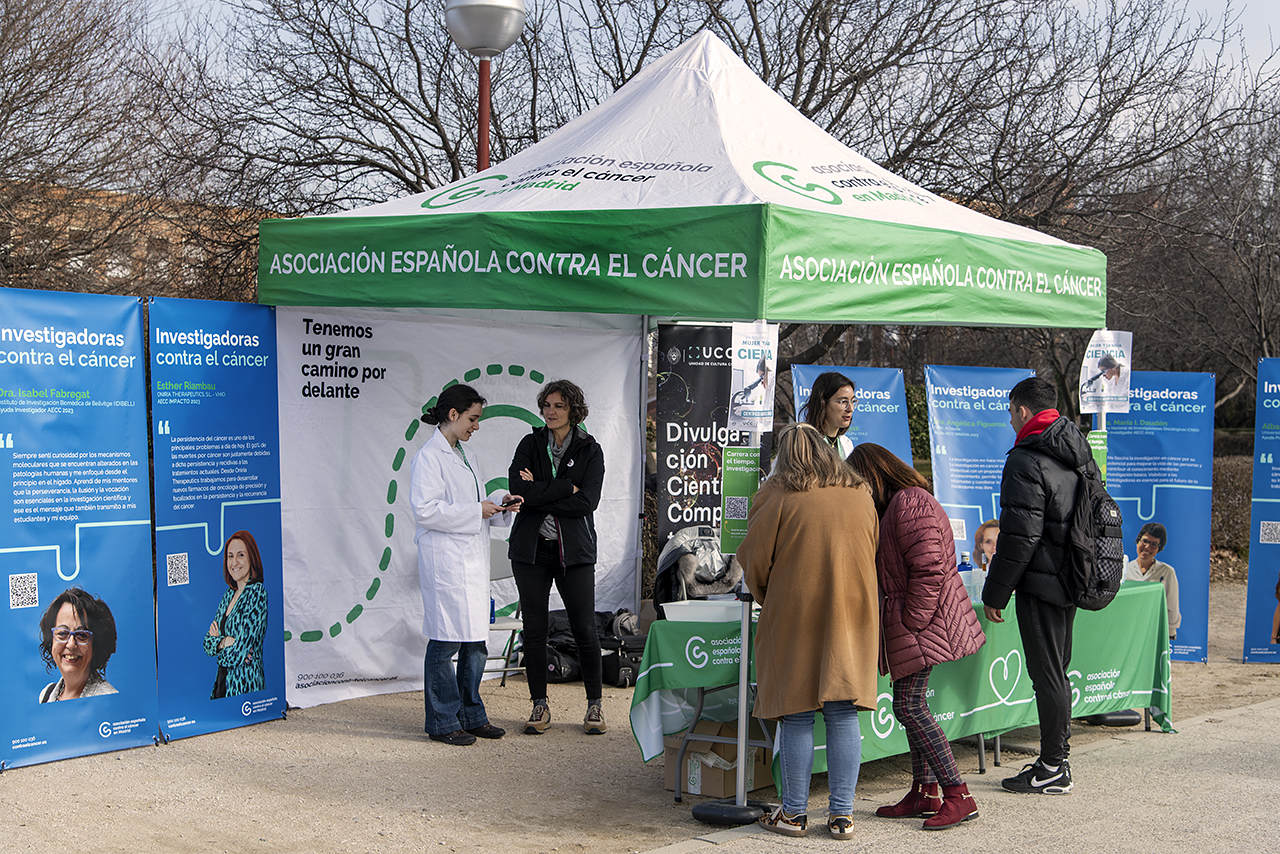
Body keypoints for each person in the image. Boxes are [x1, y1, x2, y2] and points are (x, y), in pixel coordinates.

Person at [736, 423, 879, 839]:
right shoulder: (860, 494)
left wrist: (770, 593)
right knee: (842, 709)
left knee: (796, 713)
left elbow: (755, 562)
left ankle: (794, 814)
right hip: (853, 611)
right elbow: (869, 547)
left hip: (796, 611)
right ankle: (842, 815)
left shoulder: (777, 494)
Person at [847, 443, 985, 830]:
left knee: (909, 707)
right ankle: (925, 792)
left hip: (922, 623)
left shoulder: (910, 502)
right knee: (911, 705)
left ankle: (959, 795)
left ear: (874, 475)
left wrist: (914, 620)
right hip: (917, 624)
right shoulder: (902, 504)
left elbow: (930, 567)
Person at [983, 376, 1094, 795]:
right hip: (1070, 578)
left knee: (1047, 675)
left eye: (1010, 412)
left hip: (1041, 583)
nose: (1010, 421)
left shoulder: (1026, 458)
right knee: (1057, 673)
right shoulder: (1075, 451)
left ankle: (1052, 766)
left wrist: (996, 592)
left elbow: (1019, 536)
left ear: (1023, 411)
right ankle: (1055, 761)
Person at [411, 383, 521, 746]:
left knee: (475, 642)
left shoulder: (463, 454)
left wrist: (498, 501)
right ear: (453, 415)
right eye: (473, 418)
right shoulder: (429, 456)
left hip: (470, 562)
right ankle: (442, 722)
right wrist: (478, 510)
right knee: (445, 643)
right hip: (445, 563)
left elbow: (471, 501)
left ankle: (471, 715)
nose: (477, 426)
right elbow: (426, 511)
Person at [507, 379, 607, 736]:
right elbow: (518, 490)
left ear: (573, 410)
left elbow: (588, 502)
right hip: (530, 551)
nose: (550, 411)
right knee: (534, 630)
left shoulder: (590, 450)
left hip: (575, 553)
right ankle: (539, 704)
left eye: (558, 406)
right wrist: (566, 486)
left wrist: (538, 493)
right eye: (546, 405)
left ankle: (594, 706)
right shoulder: (530, 443)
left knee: (584, 629)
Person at [204, 530, 270, 698]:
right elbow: (207, 643)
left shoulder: (257, 594)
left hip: (245, 686)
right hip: (222, 682)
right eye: (230, 556)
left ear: (251, 557)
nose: (234, 562)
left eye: (240, 555)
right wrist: (226, 641)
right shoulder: (228, 595)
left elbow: (240, 652)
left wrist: (220, 644)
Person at [38, 587, 118, 702]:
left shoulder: (109, 699)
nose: (71, 645)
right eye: (62, 633)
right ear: (51, 640)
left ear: (95, 646)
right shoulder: (46, 694)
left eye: (81, 635)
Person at [1123, 523, 1181, 640]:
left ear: (1160, 548)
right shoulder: (1124, 570)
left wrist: (1170, 632)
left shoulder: (1167, 572)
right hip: (1127, 630)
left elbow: (1172, 605)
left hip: (1154, 631)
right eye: (1144, 541)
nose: (1147, 547)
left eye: (1154, 544)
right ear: (1138, 541)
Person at [800, 371, 856, 458]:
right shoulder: (802, 444)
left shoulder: (847, 444)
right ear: (823, 403)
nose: (850, 408)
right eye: (843, 401)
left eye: (852, 401)